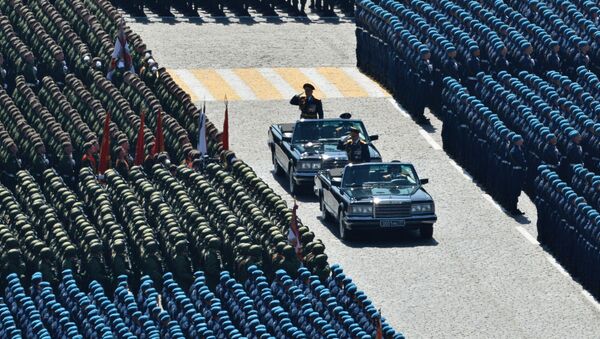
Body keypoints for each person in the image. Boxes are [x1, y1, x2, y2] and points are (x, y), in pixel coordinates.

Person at [508, 134, 526, 216]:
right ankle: (513, 209)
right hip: (517, 173)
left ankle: (513, 207)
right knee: (515, 191)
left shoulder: (518, 149)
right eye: (520, 139)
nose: (522, 140)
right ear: (516, 141)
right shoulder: (515, 151)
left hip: (518, 172)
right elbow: (520, 162)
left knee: (516, 191)